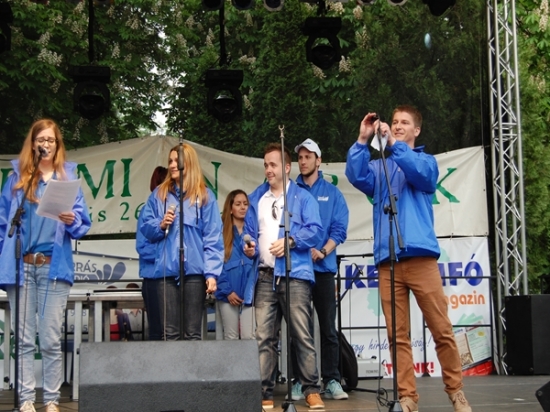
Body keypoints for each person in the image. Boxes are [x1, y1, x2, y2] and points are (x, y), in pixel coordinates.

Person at [345, 106, 472, 412]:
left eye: (404, 123)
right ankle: (407, 397)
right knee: (397, 335)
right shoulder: (380, 167)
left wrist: (392, 144)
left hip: (421, 258)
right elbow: (355, 175)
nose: (398, 125)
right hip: (388, 260)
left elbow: (422, 176)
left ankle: (456, 391)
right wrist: (362, 140)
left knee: (441, 328)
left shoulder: (425, 161)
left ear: (416, 130)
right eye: (395, 122)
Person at [0, 119, 91, 412]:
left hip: (53, 267)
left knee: (50, 339)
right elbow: (2, 224)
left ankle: (51, 400)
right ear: (33, 144)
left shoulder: (67, 179)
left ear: (57, 145)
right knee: (24, 339)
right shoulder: (17, 180)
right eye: (41, 140)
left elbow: (82, 224)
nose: (46, 144)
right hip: (22, 266)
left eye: (51, 140)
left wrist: (72, 220)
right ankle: (26, 400)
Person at [243, 143, 324, 410]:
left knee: (301, 334)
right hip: (265, 275)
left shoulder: (302, 197)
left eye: (273, 165)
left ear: (287, 168)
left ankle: (311, 390)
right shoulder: (257, 198)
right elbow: (248, 233)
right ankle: (264, 392)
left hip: (294, 275)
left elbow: (316, 231)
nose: (268, 169)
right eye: (266, 165)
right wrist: (248, 246)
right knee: (264, 337)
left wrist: (290, 241)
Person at [139, 144, 223, 340]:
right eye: (170, 161)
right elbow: (145, 227)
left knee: (193, 333)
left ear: (189, 163)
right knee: (170, 334)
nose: (172, 165)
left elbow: (213, 237)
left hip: (194, 273)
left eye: (177, 161)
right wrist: (161, 225)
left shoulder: (205, 196)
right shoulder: (159, 194)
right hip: (166, 272)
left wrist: (211, 274)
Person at [290, 138, 350, 401]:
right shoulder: (290, 192)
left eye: (308, 157)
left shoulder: (333, 193)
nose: (303, 161)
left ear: (318, 160)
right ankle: (300, 381)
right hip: (298, 270)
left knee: (328, 327)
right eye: (300, 157)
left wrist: (323, 251)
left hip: (323, 268)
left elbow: (339, 230)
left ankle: (332, 379)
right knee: (298, 329)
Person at [214, 189, 255, 340]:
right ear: (230, 209)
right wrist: (227, 291)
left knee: (249, 337)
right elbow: (216, 264)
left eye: (245, 204)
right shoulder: (220, 233)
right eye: (238, 204)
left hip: (250, 295)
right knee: (231, 338)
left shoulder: (254, 231)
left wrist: (253, 290)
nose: (243, 207)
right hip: (227, 294)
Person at [136, 166, 168, 340]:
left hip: (172, 279)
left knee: (173, 332)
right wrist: (167, 254)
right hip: (153, 279)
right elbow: (142, 247)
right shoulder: (146, 212)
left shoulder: (178, 211)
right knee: (157, 332)